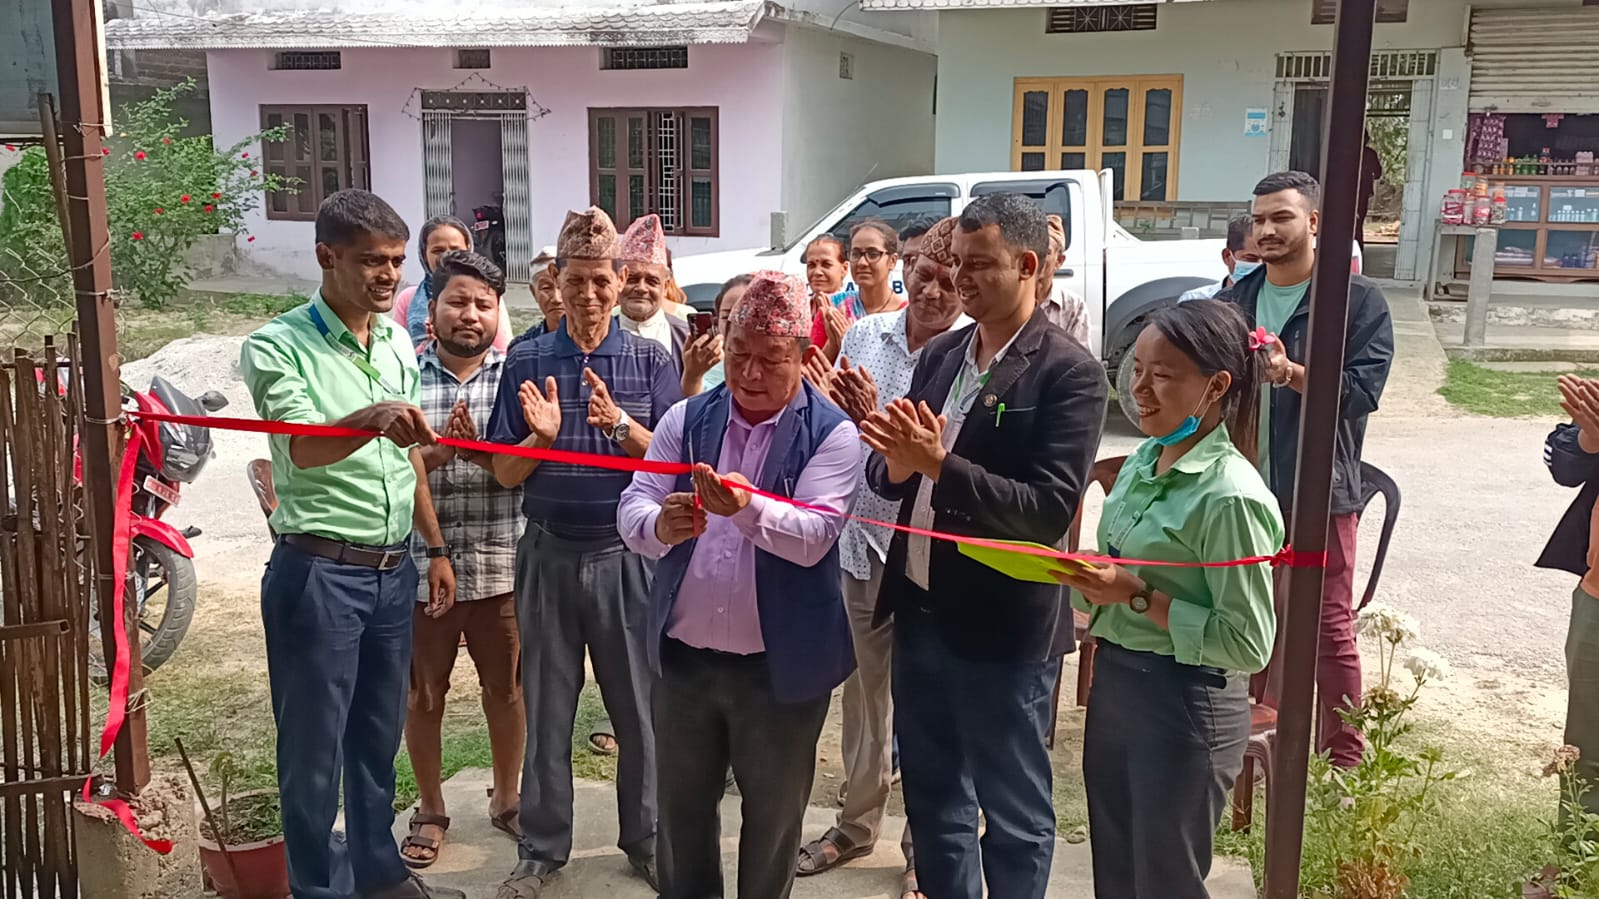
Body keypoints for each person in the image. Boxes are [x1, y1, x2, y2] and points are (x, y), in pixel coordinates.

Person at [861, 193, 1108, 899]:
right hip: (920, 613)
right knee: (934, 801)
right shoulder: (940, 354)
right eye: (953, 264)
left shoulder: (1067, 372)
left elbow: (1045, 510)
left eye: (978, 266)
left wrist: (939, 464)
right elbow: (892, 473)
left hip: (1002, 630)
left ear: (1028, 265)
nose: (959, 281)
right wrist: (902, 462)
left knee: (1013, 811)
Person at [239, 189, 463, 899]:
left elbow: (406, 459)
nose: (388, 274)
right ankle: (317, 887)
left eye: (397, 261)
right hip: (319, 573)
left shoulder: (397, 340)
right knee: (312, 748)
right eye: (371, 260)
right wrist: (370, 415)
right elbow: (301, 448)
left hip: (392, 572)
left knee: (375, 737)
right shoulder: (277, 345)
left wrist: (434, 549)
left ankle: (378, 873)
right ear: (325, 257)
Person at [617, 271, 861, 899]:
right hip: (685, 662)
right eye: (739, 356)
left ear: (803, 358)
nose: (750, 374)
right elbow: (634, 503)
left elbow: (814, 535)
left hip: (778, 672)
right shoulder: (685, 419)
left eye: (770, 360)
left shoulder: (832, 433)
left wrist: (742, 506)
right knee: (682, 816)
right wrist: (659, 524)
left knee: (774, 822)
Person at [1056, 299, 1283, 899]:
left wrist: (1134, 596)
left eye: (1164, 375)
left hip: (1186, 702)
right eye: (1137, 370)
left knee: (1165, 881)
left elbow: (1249, 642)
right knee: (1118, 872)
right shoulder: (1144, 461)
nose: (1142, 390)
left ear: (1217, 386)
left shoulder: (1231, 497)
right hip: (1120, 686)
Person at [488, 207, 682, 899]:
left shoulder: (652, 359)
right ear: (555, 282)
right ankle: (541, 848)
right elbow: (503, 474)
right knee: (545, 703)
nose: (590, 294)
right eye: (575, 280)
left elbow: (670, 466)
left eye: (602, 279)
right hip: (547, 555)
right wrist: (537, 440)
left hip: (626, 556)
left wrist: (620, 425)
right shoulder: (527, 359)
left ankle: (647, 838)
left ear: (621, 277)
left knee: (638, 706)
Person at [795, 215, 969, 899]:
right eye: (923, 275)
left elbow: (944, 459)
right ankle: (855, 823)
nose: (933, 291)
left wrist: (874, 415)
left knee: (930, 703)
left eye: (949, 278)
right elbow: (840, 433)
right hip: (863, 546)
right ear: (907, 272)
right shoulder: (866, 334)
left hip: (931, 555)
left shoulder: (970, 353)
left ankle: (924, 848)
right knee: (864, 701)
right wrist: (835, 406)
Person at [1218, 170, 1394, 769]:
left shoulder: (1356, 302)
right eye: (1259, 219)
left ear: (1314, 223)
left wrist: (1293, 374)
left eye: (1281, 218)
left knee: (1327, 625)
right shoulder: (1234, 302)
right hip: (1240, 491)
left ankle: (1344, 758)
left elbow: (1361, 393)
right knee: (1243, 611)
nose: (1266, 229)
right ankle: (1247, 739)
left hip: (1316, 491)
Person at [398, 250, 526, 869]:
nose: (470, 314)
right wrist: (440, 456)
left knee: (506, 689)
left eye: (482, 303)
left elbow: (526, 467)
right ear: (432, 307)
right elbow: (395, 468)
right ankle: (430, 807)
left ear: (497, 311)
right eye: (457, 300)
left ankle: (507, 797)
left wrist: (472, 453)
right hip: (425, 568)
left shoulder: (516, 377)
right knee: (424, 693)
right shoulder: (401, 377)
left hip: (503, 564)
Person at [1538, 375, 1599, 819]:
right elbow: (1563, 463)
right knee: (1587, 750)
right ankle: (1576, 869)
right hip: (1597, 597)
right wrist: (1589, 436)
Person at [392, 215, 514, 354]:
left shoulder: (486, 295)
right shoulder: (408, 298)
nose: (447, 256)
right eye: (438, 250)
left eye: (456, 250)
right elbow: (397, 353)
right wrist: (430, 346)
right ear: (424, 254)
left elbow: (503, 350)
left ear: (469, 250)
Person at [814, 221, 906, 362]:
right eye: (856, 254)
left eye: (873, 254)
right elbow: (808, 373)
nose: (862, 263)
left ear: (892, 261)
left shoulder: (905, 316)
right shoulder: (834, 308)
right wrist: (833, 345)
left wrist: (853, 345)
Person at [615, 214, 692, 369]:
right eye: (632, 279)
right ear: (619, 281)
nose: (641, 288)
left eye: (652, 281)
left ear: (665, 286)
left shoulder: (686, 338)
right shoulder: (599, 334)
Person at [681, 273, 750, 398]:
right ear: (716, 321)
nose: (732, 323)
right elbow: (694, 410)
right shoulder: (708, 361)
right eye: (726, 316)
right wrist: (693, 375)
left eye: (742, 315)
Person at [1178, 214, 1262, 303]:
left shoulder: (1272, 307)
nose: (1261, 266)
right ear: (1227, 256)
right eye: (1251, 258)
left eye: (1269, 261)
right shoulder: (1195, 302)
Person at [1038, 213, 1091, 348]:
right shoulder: (1012, 301)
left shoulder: (1074, 306)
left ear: (1059, 261)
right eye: (1034, 251)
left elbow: (1081, 361)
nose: (1038, 259)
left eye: (1046, 252)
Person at [509, 246, 563, 353]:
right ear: (534, 293)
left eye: (562, 286)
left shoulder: (598, 342)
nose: (556, 298)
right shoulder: (522, 349)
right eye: (546, 288)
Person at [804, 235, 849, 315]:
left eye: (826, 265)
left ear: (844, 269)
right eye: (811, 265)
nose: (817, 272)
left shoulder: (853, 310)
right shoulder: (801, 309)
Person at [1358, 130, 1383, 250]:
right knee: (1359, 222)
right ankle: (1358, 246)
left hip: (1345, 192)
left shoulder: (1346, 152)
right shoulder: (1370, 154)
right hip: (1363, 191)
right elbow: (1378, 173)